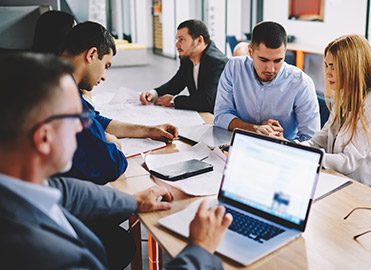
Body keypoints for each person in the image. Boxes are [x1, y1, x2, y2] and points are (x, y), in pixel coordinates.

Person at [0, 52, 232, 269]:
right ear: (44, 137)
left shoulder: (21, 182)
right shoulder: (43, 254)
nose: (85, 126)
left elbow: (67, 191)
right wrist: (200, 249)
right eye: (77, 116)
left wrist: (132, 201)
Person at [60, 21, 178, 184]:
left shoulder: (55, 81)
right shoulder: (66, 101)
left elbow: (97, 121)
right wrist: (113, 144)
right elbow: (111, 165)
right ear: (92, 54)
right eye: (105, 66)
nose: (104, 76)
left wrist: (149, 131)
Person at [302, 34, 371, 194]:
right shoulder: (344, 95)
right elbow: (324, 138)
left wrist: (310, 156)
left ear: (351, 67)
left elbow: (349, 161)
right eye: (327, 66)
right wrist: (295, 148)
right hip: (344, 182)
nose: (327, 74)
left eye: (333, 67)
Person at [214, 21, 320, 141]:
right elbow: (221, 115)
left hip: (282, 151)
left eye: (277, 60)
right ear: (250, 52)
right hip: (238, 144)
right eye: (263, 60)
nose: (271, 69)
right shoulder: (234, 68)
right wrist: (255, 129)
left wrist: (281, 143)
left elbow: (311, 140)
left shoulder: (302, 84)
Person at [139, 19, 228, 113]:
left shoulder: (217, 62)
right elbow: (176, 83)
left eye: (182, 39)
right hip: (200, 115)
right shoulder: (188, 57)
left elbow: (208, 102)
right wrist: (154, 93)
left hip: (218, 119)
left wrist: (174, 100)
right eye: (177, 40)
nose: (177, 45)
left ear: (199, 40)